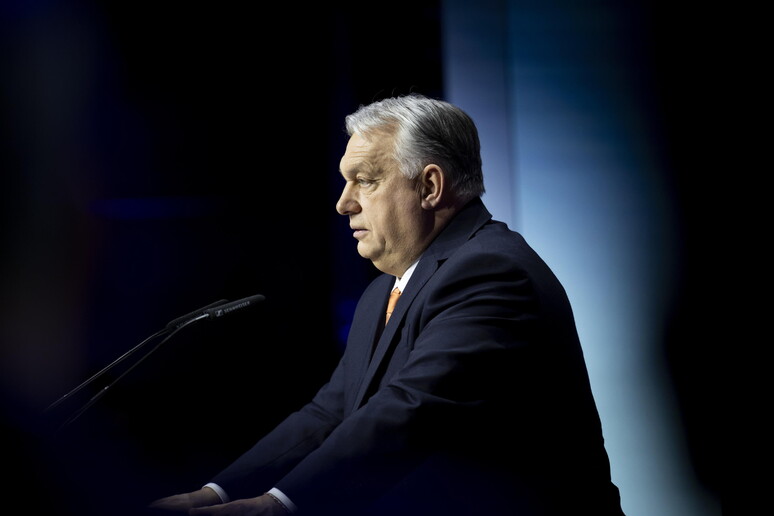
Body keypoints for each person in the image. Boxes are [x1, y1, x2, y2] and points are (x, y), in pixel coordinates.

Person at [149, 94, 626, 516]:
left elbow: (411, 411)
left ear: (429, 186)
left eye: (365, 180)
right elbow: (328, 414)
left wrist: (279, 504)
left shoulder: (491, 272)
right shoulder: (385, 290)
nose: (344, 203)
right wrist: (215, 493)